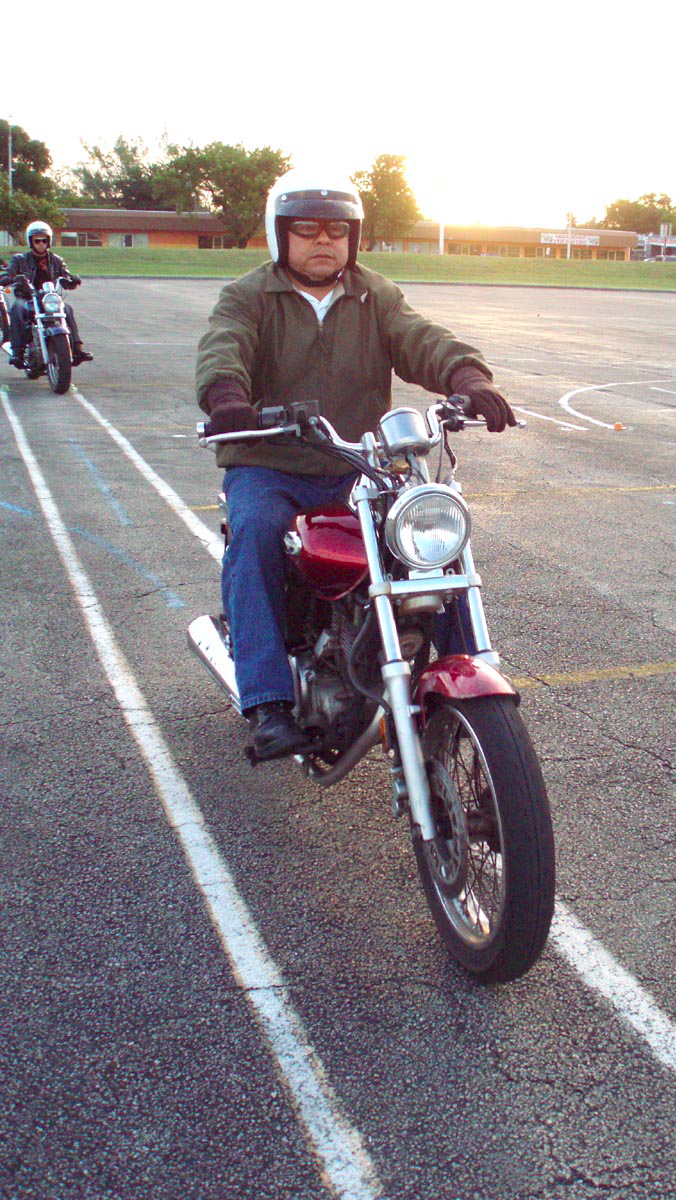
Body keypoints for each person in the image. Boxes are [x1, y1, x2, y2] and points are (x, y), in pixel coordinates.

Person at [196, 169, 517, 762]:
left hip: (358, 464)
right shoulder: (249, 295)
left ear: (354, 236)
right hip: (271, 462)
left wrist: (468, 377)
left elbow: (421, 338)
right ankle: (267, 702)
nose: (324, 240)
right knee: (256, 531)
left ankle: (466, 671)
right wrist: (227, 398)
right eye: (307, 229)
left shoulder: (375, 294)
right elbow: (224, 346)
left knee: (428, 543)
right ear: (280, 234)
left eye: (337, 230)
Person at [0, 221, 93, 369]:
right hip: (28, 297)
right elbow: (8, 273)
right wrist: (9, 278)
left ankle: (77, 348)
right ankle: (17, 351)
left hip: (49, 298)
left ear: (48, 241)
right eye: (37, 241)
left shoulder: (56, 260)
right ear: (31, 242)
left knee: (67, 309)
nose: (41, 244)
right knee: (17, 307)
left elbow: (65, 276)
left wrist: (72, 280)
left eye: (44, 240)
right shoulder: (20, 259)